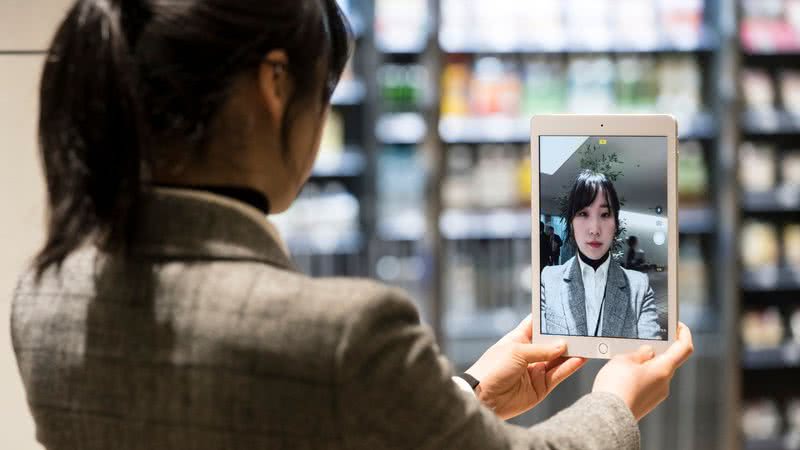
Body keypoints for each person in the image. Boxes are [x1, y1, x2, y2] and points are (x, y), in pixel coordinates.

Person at [11, 1, 691, 449]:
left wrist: (464, 390)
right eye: (323, 87)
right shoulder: (343, 333)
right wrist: (616, 402)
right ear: (275, 85)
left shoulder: (45, 300)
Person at [541, 170, 664, 340]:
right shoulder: (548, 280)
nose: (594, 229)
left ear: (616, 224)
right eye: (583, 214)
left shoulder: (639, 287)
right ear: (571, 223)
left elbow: (649, 356)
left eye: (605, 214)